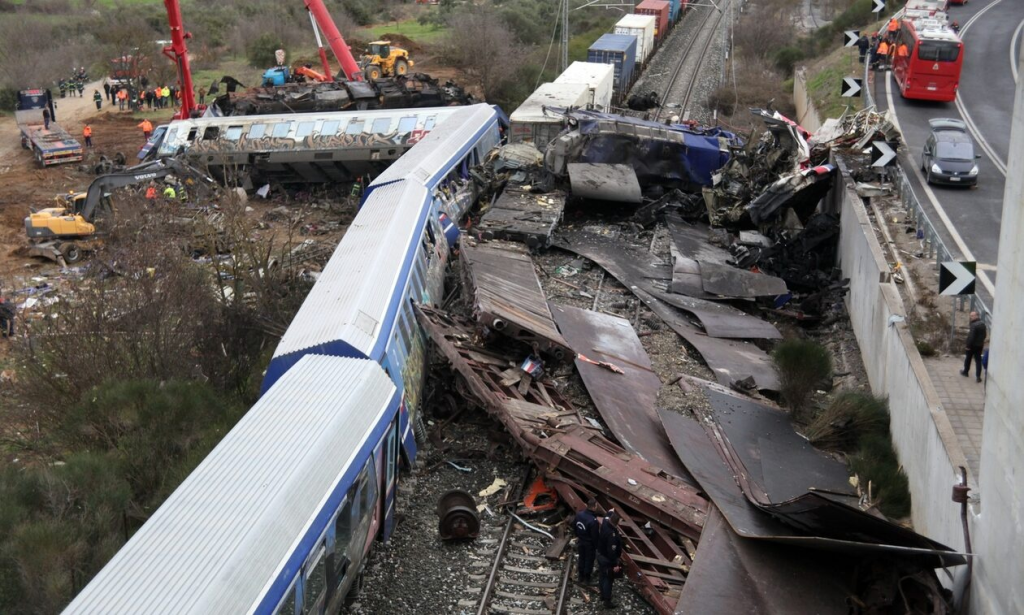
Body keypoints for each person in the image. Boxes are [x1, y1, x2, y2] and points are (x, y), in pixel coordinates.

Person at [596, 509, 623, 610]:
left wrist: (610, 511)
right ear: (617, 522)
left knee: (602, 575)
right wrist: (615, 564)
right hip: (607, 559)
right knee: (608, 579)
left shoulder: (605, 522)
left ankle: (602, 595)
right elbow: (612, 552)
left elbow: (607, 516)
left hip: (600, 554)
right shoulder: (612, 535)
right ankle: (607, 600)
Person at [574, 499, 602, 585]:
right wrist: (597, 546)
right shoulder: (593, 521)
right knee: (589, 560)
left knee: (581, 558)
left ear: (587, 505)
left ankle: (580, 576)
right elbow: (595, 536)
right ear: (594, 507)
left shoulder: (579, 515)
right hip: (589, 544)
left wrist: (578, 536)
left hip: (581, 541)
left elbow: (575, 526)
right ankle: (587, 578)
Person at [961, 311, 987, 382]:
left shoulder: (973, 325)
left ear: (977, 316)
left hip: (972, 345)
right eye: (970, 316)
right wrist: (981, 341)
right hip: (979, 345)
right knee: (978, 360)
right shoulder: (983, 324)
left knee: (968, 358)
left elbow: (971, 337)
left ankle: (965, 372)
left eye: (972, 316)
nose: (971, 317)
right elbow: (984, 335)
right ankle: (978, 376)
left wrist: (968, 345)